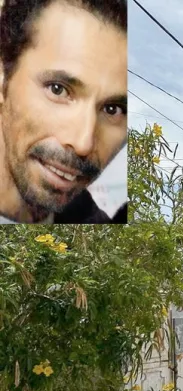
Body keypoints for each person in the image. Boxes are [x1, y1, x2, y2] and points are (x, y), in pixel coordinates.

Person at [0, 0, 127, 224]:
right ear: (3, 78)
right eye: (58, 90)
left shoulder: (100, 221)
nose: (83, 143)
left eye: (113, 109)